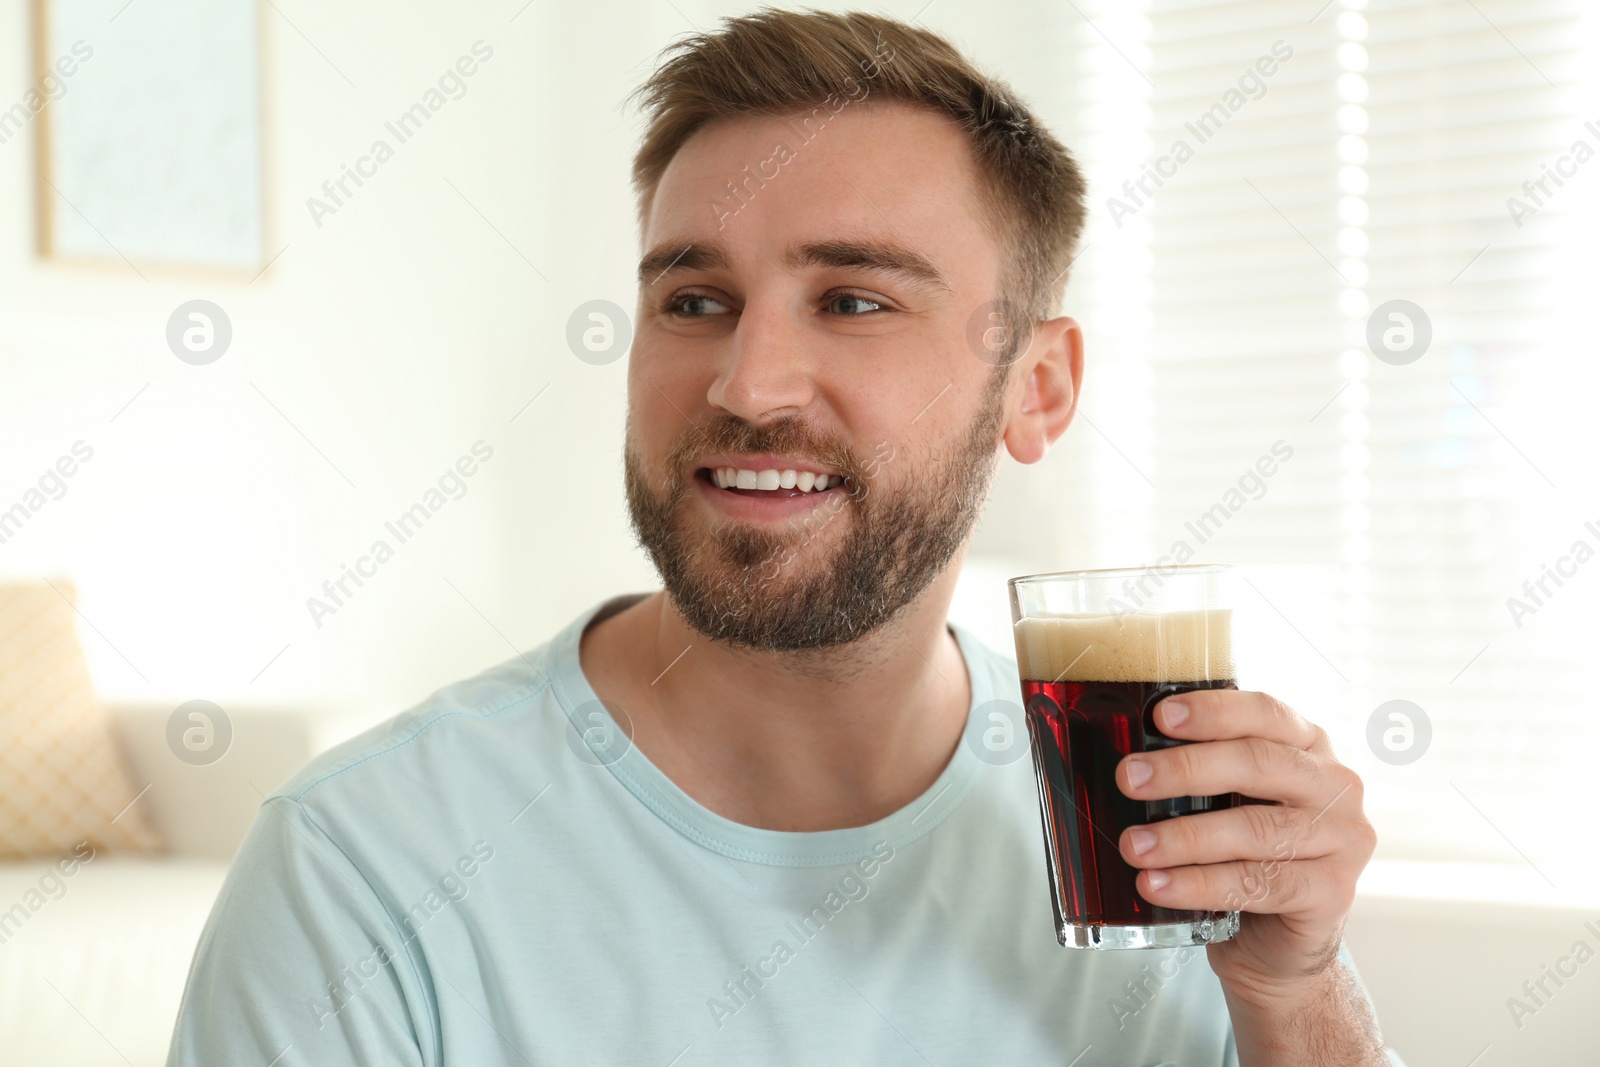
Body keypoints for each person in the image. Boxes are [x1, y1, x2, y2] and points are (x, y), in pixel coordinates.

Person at [167, 9, 1401, 1065]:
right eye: (694, 301)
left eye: (855, 300)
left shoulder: (1140, 833)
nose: (750, 384)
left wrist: (1294, 997)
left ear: (1037, 388)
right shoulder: (362, 870)